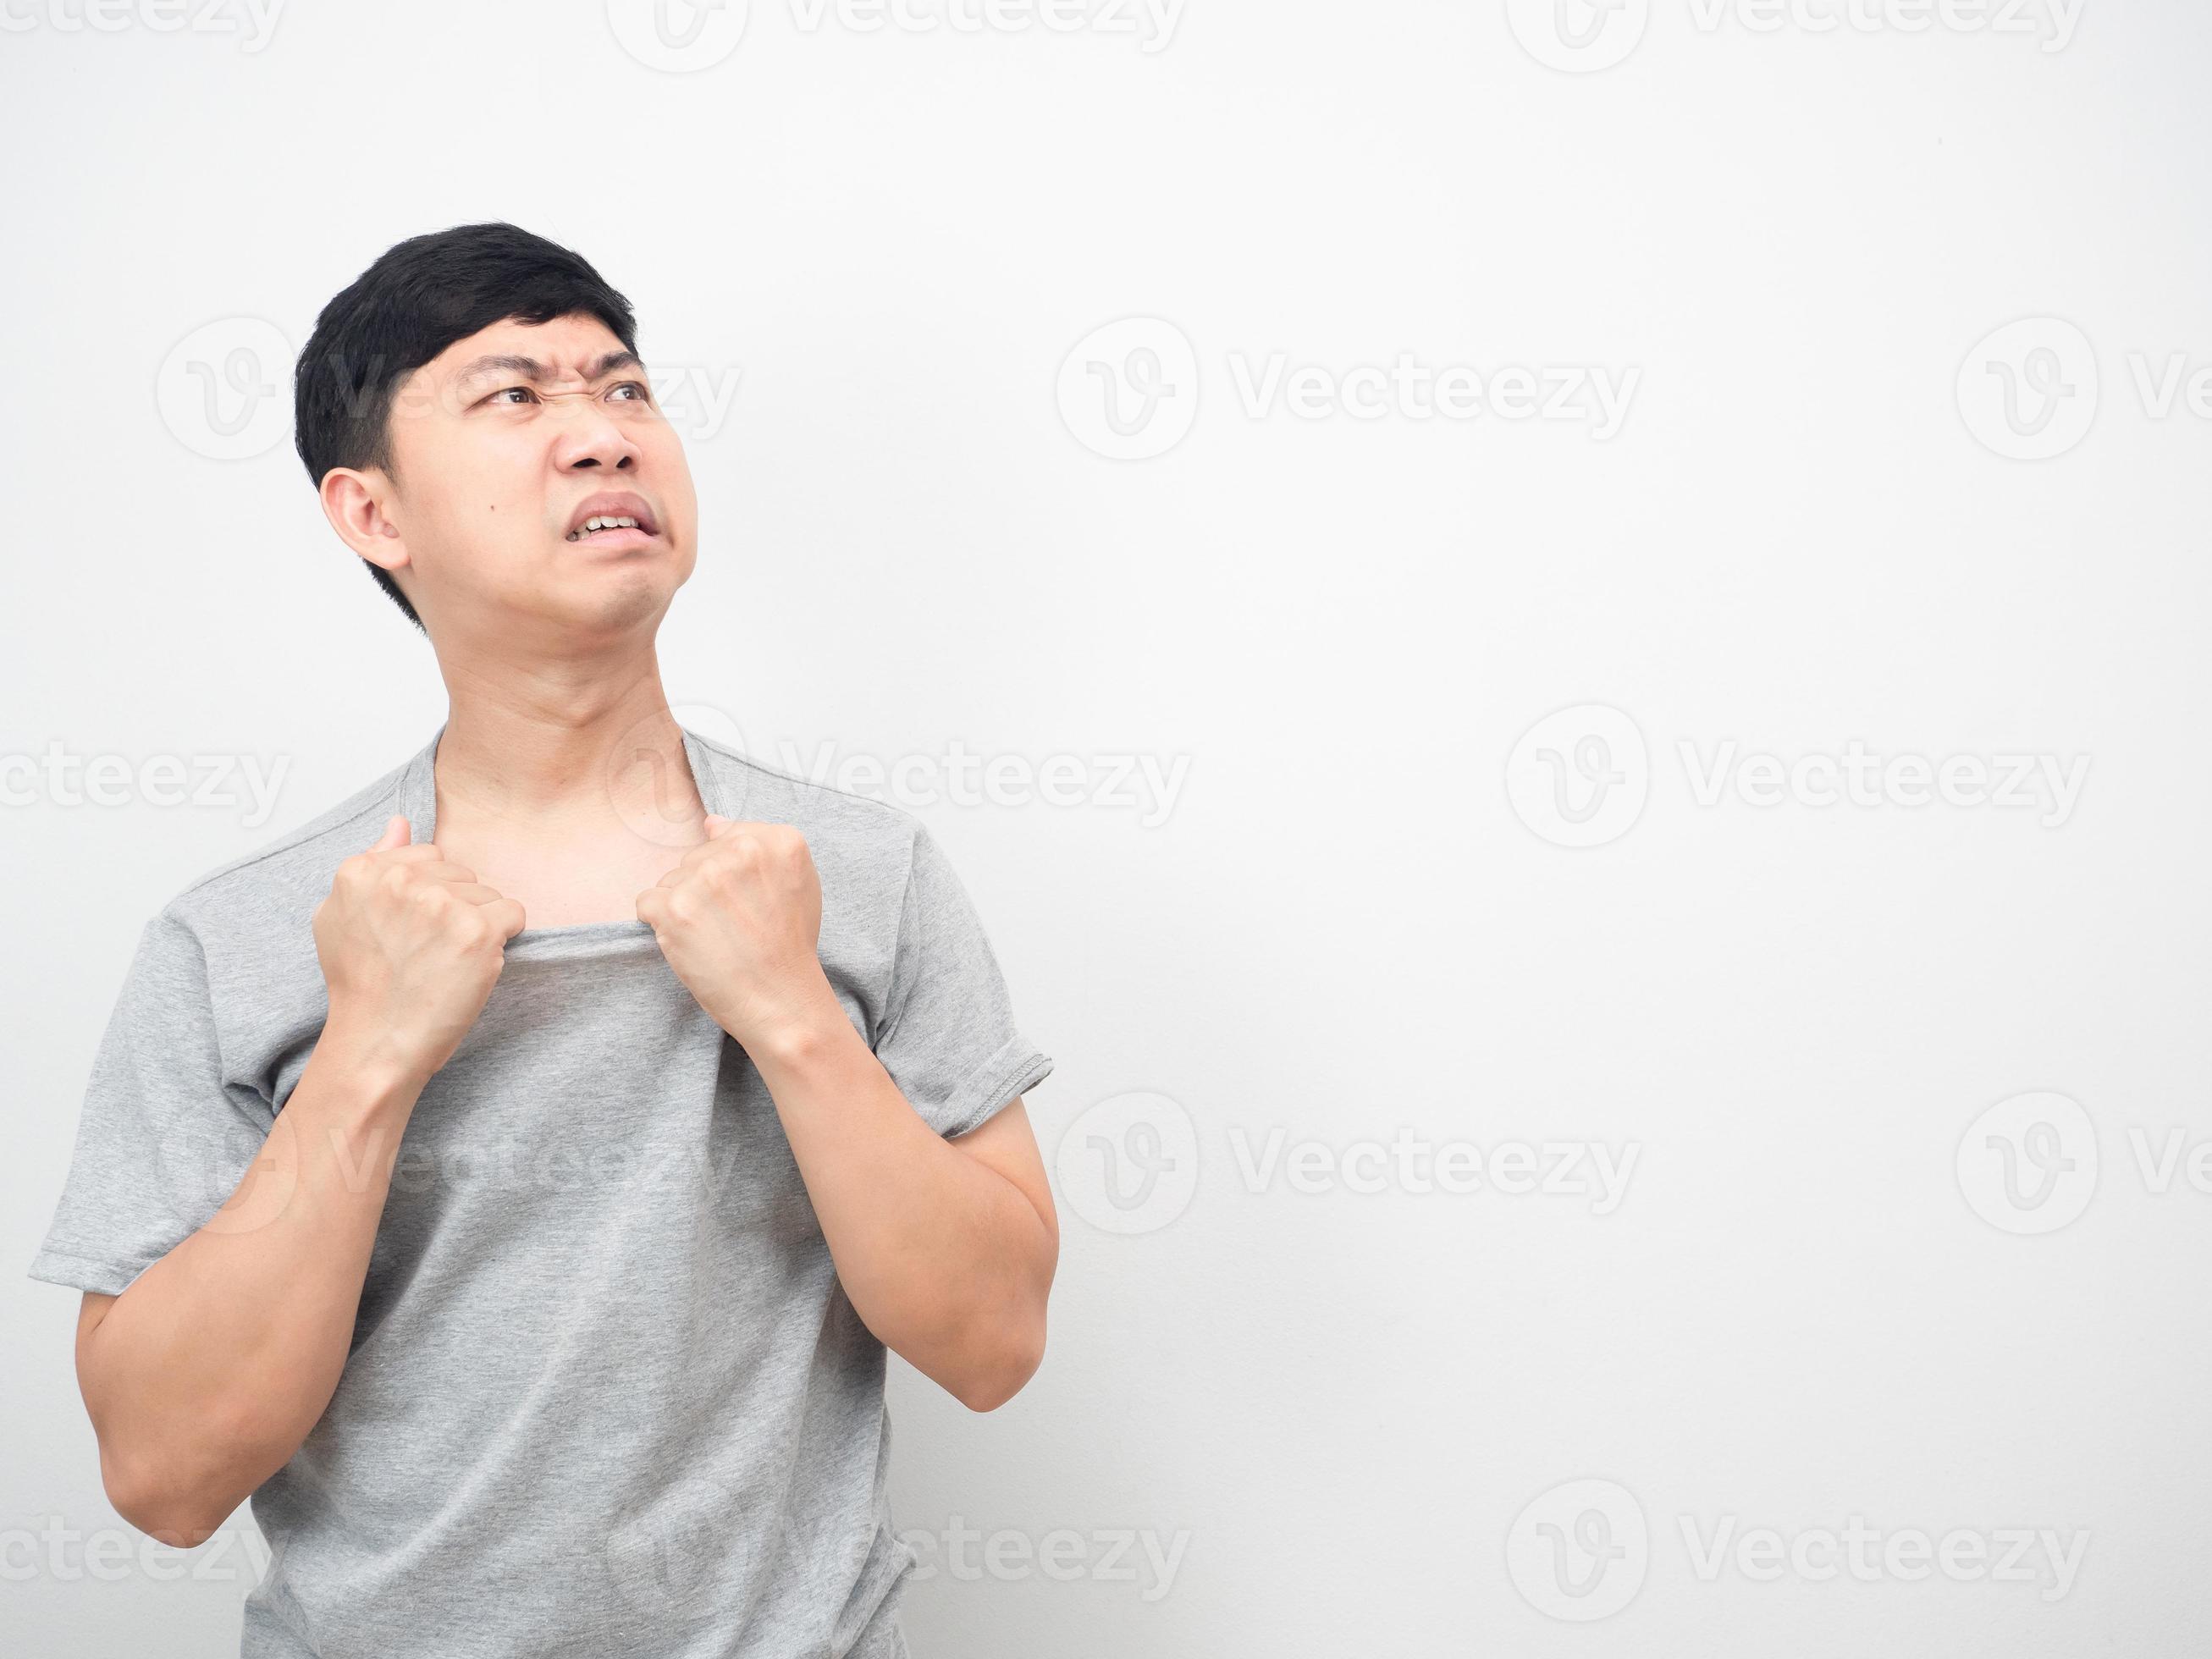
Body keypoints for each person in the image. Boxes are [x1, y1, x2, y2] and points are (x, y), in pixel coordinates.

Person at [28, 222, 1058, 1657]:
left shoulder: (857, 878)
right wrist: (369, 1053)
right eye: (513, 396)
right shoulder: (244, 936)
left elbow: (993, 1344)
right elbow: (163, 1475)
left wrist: (794, 1018)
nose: (599, 436)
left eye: (624, 388)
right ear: (372, 514)